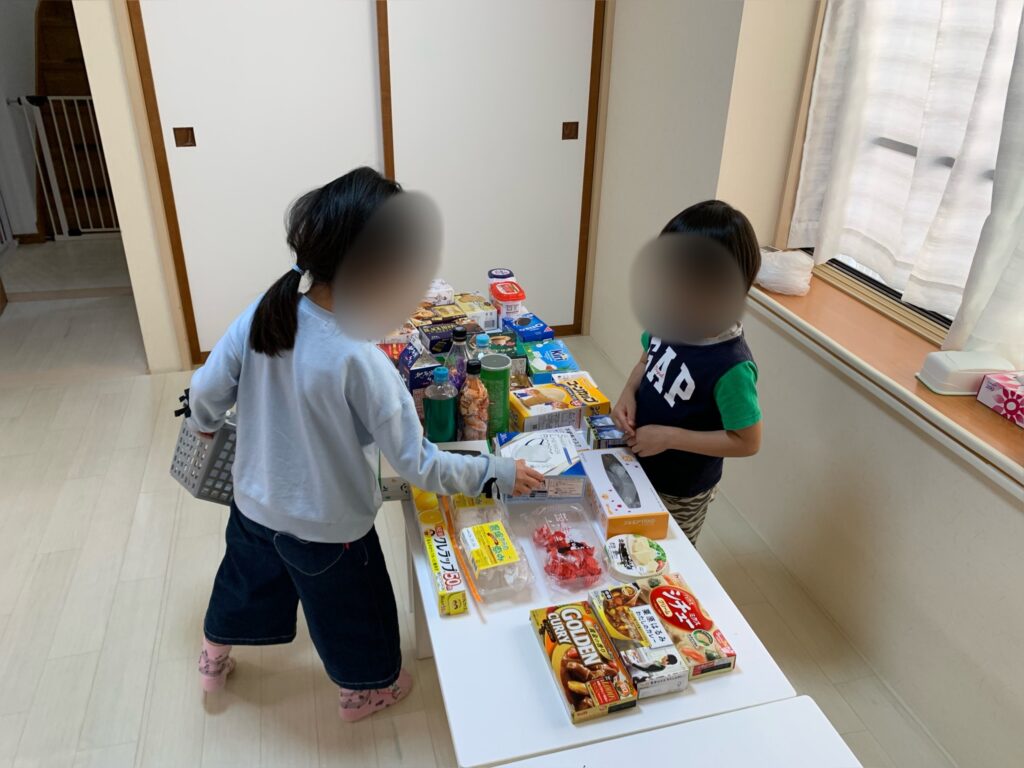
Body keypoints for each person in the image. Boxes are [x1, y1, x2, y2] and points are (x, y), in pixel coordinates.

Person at [186, 167, 544, 721]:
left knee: (243, 583)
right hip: (328, 527)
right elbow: (418, 465)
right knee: (352, 613)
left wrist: (206, 423)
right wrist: (495, 471)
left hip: (253, 503)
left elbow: (206, 390)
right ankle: (364, 691)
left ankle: (213, 657)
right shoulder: (360, 358)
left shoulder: (266, 310)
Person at [612, 200, 762, 546]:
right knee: (625, 543)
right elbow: (646, 360)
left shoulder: (731, 366)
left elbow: (748, 441)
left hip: (681, 489)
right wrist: (628, 392)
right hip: (638, 461)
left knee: (666, 552)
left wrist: (669, 437)